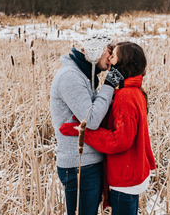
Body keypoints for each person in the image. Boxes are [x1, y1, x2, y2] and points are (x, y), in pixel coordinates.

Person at [60, 41, 156, 215]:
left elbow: (120, 140)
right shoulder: (134, 91)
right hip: (130, 173)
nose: (109, 57)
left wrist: (83, 132)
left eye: (113, 55)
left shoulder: (126, 96)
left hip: (125, 177)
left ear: (122, 64)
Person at [50, 35, 125, 215]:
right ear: (95, 50)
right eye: (109, 51)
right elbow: (90, 120)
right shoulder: (70, 77)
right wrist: (109, 84)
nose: (111, 57)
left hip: (87, 163)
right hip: (79, 166)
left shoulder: (84, 75)